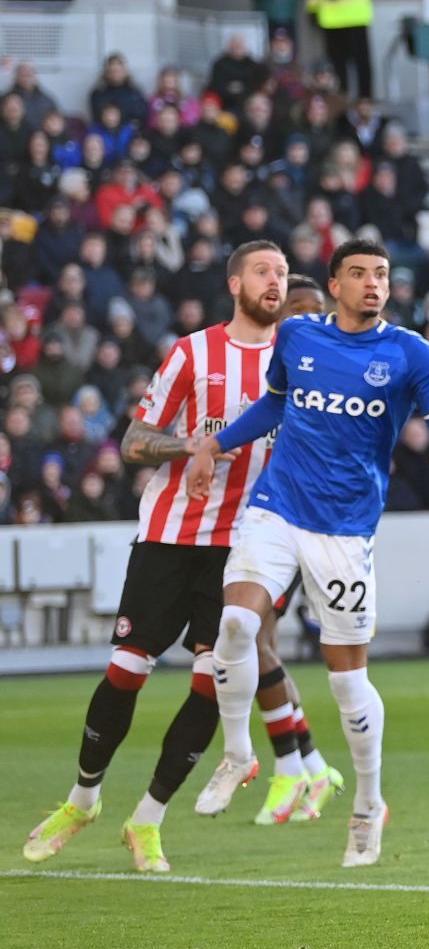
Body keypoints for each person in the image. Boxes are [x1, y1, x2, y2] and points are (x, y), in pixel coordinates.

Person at [183, 240, 429, 869]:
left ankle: (368, 804)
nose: (373, 284)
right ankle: (238, 754)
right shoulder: (298, 339)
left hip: (344, 530)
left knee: (346, 680)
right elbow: (277, 403)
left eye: (382, 275)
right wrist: (216, 445)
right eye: (360, 274)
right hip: (276, 507)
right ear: (335, 284)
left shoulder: (409, 352)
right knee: (234, 623)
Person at [21, 243, 293, 873]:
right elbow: (134, 440)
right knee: (126, 670)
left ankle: (147, 818)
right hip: (171, 535)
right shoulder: (194, 352)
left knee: (211, 683)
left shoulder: (298, 362)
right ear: (235, 283)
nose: (274, 282)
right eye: (262, 271)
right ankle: (83, 799)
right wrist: (188, 445)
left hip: (244, 546)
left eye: (281, 273)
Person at [246, 272, 347, 826]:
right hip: (243, 520)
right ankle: (310, 764)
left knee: (251, 640)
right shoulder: (264, 363)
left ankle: (297, 764)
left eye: (312, 309)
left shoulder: (325, 372)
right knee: (257, 646)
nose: (303, 318)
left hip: (286, 519)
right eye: (294, 309)